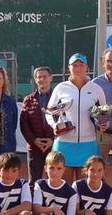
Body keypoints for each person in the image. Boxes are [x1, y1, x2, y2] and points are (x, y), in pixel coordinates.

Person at [46, 54, 107, 183]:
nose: (78, 68)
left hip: (88, 144)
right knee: (63, 186)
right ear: (69, 68)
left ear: (86, 67)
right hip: (64, 143)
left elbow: (103, 113)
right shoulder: (61, 87)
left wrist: (102, 124)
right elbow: (49, 112)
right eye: (74, 65)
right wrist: (54, 125)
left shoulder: (96, 89)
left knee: (85, 187)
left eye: (81, 65)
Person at [20, 66, 55, 183]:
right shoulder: (28, 100)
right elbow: (24, 125)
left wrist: (53, 140)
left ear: (51, 78)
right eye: (39, 77)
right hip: (34, 147)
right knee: (34, 182)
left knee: (54, 179)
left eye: (45, 76)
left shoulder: (59, 98)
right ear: (35, 80)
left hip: (54, 147)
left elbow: (65, 122)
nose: (42, 79)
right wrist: (34, 140)